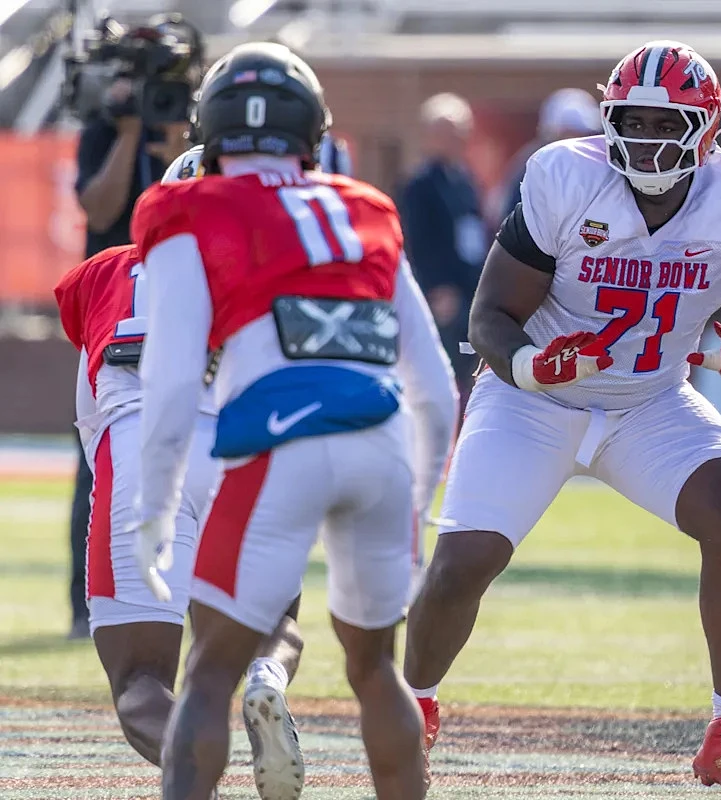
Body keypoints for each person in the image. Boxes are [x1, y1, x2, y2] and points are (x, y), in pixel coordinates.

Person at [404, 40, 721, 800]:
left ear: (706, 129)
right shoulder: (567, 177)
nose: (647, 139)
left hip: (649, 400)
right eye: (633, 121)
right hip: (533, 399)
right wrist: (534, 366)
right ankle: (408, 713)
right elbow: (490, 317)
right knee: (463, 563)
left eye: (667, 123)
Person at [129, 42, 455, 800]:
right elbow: (436, 388)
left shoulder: (186, 206)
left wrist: (153, 507)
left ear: (210, 131)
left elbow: (172, 379)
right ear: (313, 131)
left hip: (278, 444)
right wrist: (415, 501)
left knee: (209, 672)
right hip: (381, 445)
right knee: (375, 668)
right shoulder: (366, 206)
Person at [54, 147, 308, 800]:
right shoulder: (280, 270)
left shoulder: (107, 270)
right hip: (244, 449)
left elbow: (87, 378)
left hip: (146, 453)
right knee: (275, 618)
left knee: (141, 681)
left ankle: (202, 778)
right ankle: (267, 678)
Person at [66, 12, 201, 640]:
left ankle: (200, 598)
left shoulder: (202, 137)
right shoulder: (106, 126)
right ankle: (87, 599)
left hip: (194, 299)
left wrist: (182, 162)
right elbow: (98, 208)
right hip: (117, 300)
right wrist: (126, 134)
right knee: (101, 454)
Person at [399, 93, 490, 404]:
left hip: (470, 289)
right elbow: (415, 240)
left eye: (460, 132)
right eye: (447, 133)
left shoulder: (465, 180)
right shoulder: (420, 184)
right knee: (444, 372)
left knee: (471, 368)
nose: (455, 140)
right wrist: (435, 288)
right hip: (442, 295)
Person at [495, 87, 603, 221]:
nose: (578, 141)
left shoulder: (596, 165)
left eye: (583, 134)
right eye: (571, 133)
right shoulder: (532, 165)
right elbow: (511, 217)